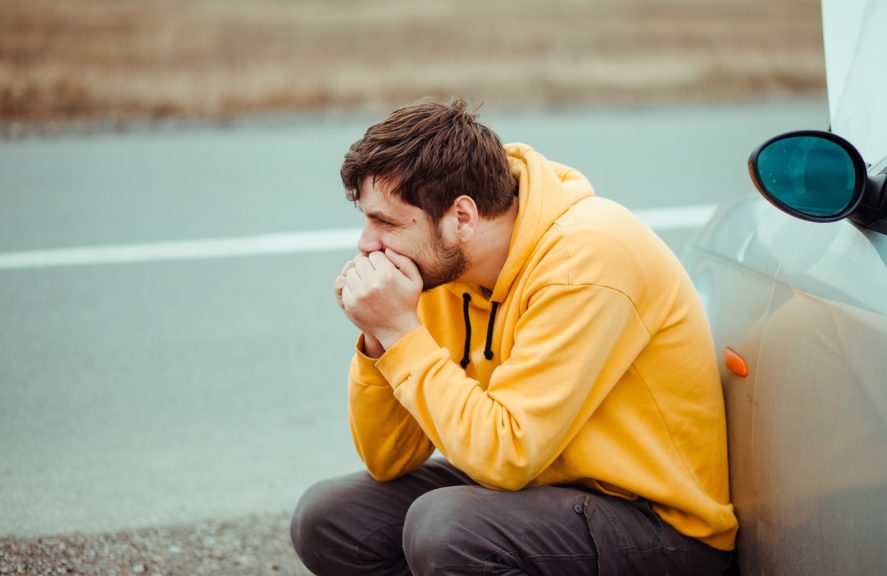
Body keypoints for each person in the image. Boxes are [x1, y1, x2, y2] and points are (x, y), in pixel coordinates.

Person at [291, 99, 738, 575]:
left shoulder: (584, 262)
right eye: (367, 219)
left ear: (461, 217)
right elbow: (388, 458)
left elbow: (508, 456)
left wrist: (402, 332)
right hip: (540, 489)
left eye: (386, 222)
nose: (366, 243)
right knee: (330, 519)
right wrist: (381, 336)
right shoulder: (443, 268)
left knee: (446, 529)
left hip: (657, 525)